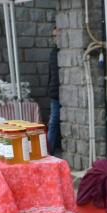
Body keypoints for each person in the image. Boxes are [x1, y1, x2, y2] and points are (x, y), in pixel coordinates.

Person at [47, 26, 62, 154]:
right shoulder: (53, 53)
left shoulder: (61, 53)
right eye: (53, 36)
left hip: (62, 93)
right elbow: (51, 75)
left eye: (56, 35)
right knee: (53, 122)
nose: (55, 38)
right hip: (55, 94)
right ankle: (49, 150)